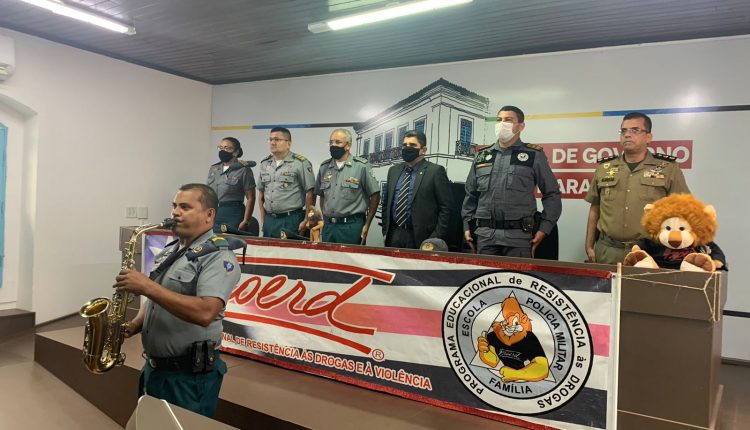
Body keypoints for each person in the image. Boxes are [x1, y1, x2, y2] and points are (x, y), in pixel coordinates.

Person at [114, 184, 241, 417]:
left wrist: (147, 286)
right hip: (155, 370)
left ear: (209, 214)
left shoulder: (218, 256)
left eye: (185, 207)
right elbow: (156, 299)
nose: (175, 212)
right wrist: (134, 325)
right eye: (174, 206)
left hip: (188, 379)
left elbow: (206, 312)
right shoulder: (170, 250)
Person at [584, 112, 690, 264]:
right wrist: (589, 246)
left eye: (634, 130)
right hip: (607, 251)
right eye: (623, 131)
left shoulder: (668, 169)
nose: (627, 135)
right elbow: (595, 208)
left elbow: (682, 211)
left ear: (648, 137)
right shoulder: (604, 168)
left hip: (649, 253)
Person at [462, 106, 561, 258]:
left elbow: (552, 194)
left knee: (515, 274)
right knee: (485, 274)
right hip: (485, 237)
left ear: (520, 126)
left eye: (508, 120)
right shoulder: (482, 156)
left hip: (519, 238)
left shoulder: (533, 155)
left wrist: (544, 229)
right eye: (499, 120)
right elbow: (471, 195)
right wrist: (467, 226)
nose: (502, 124)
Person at [382, 130, 453, 249]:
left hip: (422, 237)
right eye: (405, 145)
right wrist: (386, 230)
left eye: (412, 145)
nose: (407, 148)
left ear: (423, 150)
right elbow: (386, 203)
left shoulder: (435, 171)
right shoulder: (393, 171)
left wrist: (435, 237)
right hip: (394, 234)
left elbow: (446, 208)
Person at [315, 128, 380, 244]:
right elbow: (322, 195)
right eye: (331, 142)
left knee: (351, 256)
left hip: (351, 227)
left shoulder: (361, 166)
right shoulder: (324, 167)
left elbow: (375, 195)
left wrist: (367, 224)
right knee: (328, 255)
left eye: (338, 142)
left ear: (348, 146)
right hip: (329, 227)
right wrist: (325, 218)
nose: (333, 145)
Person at [257, 127, 316, 238]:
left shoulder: (300, 163)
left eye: (277, 139)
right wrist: (263, 218)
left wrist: (306, 220)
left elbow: (311, 193)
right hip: (269, 219)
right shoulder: (265, 163)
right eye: (270, 139)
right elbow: (261, 193)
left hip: (291, 219)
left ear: (288, 143)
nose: (272, 143)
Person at [207, 137, 256, 233]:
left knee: (230, 240)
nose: (222, 151)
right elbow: (208, 194)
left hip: (233, 213)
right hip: (214, 212)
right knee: (213, 240)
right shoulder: (214, 168)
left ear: (236, 152)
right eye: (220, 148)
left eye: (226, 148)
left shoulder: (244, 170)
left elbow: (251, 198)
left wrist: (246, 221)